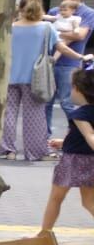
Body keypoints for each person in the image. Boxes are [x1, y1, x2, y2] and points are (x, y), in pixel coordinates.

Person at [2, 0, 56, 162]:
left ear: (20, 8)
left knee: (8, 114)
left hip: (9, 76)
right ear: (41, 9)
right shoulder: (47, 27)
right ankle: (35, 152)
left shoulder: (9, 28)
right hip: (35, 79)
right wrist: (80, 57)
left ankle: (7, 150)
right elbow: (59, 47)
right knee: (34, 115)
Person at [42, 69, 94, 231]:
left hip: (73, 161)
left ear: (79, 89)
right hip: (90, 161)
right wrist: (64, 142)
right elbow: (82, 138)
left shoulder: (79, 114)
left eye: (72, 87)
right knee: (89, 202)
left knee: (56, 198)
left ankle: (44, 235)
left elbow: (90, 135)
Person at [51, 0, 93, 128]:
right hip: (48, 62)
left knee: (67, 103)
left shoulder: (88, 13)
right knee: (45, 103)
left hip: (70, 64)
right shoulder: (54, 11)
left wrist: (56, 33)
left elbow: (80, 35)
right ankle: (46, 140)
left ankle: (78, 135)